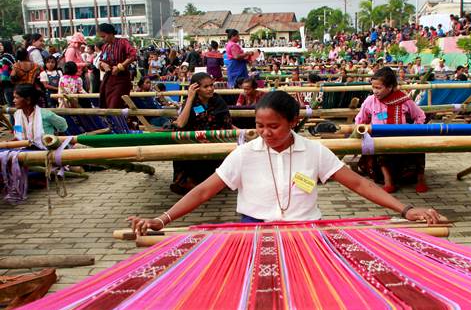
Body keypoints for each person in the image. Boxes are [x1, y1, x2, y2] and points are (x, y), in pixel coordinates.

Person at [128, 90, 445, 233]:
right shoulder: (244, 154)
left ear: (293, 121)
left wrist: (406, 210)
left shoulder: (314, 151)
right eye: (260, 126)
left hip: (307, 231)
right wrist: (162, 220)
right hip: (252, 233)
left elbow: (359, 184)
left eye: (274, 126)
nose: (265, 133)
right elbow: (202, 192)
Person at [355, 67, 428, 194]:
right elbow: (360, 119)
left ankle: (420, 179)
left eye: (379, 88)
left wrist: (414, 131)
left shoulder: (403, 100)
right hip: (380, 139)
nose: (375, 91)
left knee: (420, 146)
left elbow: (420, 116)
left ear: (390, 87)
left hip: (403, 138)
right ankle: (388, 181)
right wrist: (363, 133)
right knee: (379, 148)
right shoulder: (370, 101)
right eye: (373, 87)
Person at [170, 72, 233, 195]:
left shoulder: (217, 100)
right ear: (196, 89)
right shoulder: (191, 102)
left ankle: (207, 184)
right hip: (193, 140)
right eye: (206, 87)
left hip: (215, 139)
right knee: (184, 147)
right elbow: (181, 124)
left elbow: (226, 123)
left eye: (211, 85)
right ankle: (189, 183)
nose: (210, 89)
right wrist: (189, 98)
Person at [12, 83, 67, 150]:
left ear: (28, 100)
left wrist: (56, 134)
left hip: (44, 151)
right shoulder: (16, 114)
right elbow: (18, 132)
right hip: (23, 150)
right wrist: (14, 139)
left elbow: (63, 125)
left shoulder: (45, 115)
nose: (13, 101)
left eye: (16, 98)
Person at [97, 23, 137, 108]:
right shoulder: (105, 47)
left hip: (121, 79)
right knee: (106, 104)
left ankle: (120, 121)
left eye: (104, 36)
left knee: (115, 105)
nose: (103, 39)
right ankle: (111, 121)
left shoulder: (123, 42)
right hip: (109, 80)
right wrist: (102, 64)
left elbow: (133, 55)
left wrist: (120, 67)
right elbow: (101, 60)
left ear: (111, 33)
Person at [0, 40, 16, 106]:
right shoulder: (12, 56)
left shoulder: (5, 58)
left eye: (1, 45)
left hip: (8, 85)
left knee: (11, 107)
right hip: (14, 84)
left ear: (6, 46)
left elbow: (4, 76)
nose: (0, 47)